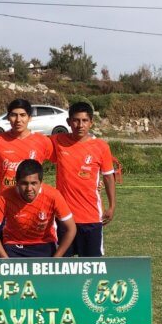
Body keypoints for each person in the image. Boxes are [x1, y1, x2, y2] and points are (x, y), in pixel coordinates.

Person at [50, 102, 116, 257]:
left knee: (92, 268)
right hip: (64, 217)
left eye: (84, 120)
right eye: (75, 120)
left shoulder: (101, 147)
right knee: (62, 268)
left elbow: (108, 177)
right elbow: (33, 146)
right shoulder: (57, 141)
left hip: (91, 218)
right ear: (68, 122)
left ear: (91, 122)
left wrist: (112, 206)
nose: (80, 125)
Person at [0, 159, 76, 258]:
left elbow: (71, 228)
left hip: (44, 244)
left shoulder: (53, 195)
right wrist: (5, 258)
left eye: (33, 183)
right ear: (17, 182)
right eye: (24, 183)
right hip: (14, 245)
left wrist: (56, 258)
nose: (29, 188)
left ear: (41, 182)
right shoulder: (5, 197)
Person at [0, 98, 53, 194]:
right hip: (6, 202)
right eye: (14, 115)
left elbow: (62, 165)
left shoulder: (43, 141)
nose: (18, 120)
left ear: (30, 118)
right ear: (8, 117)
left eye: (23, 115)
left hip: (33, 201)